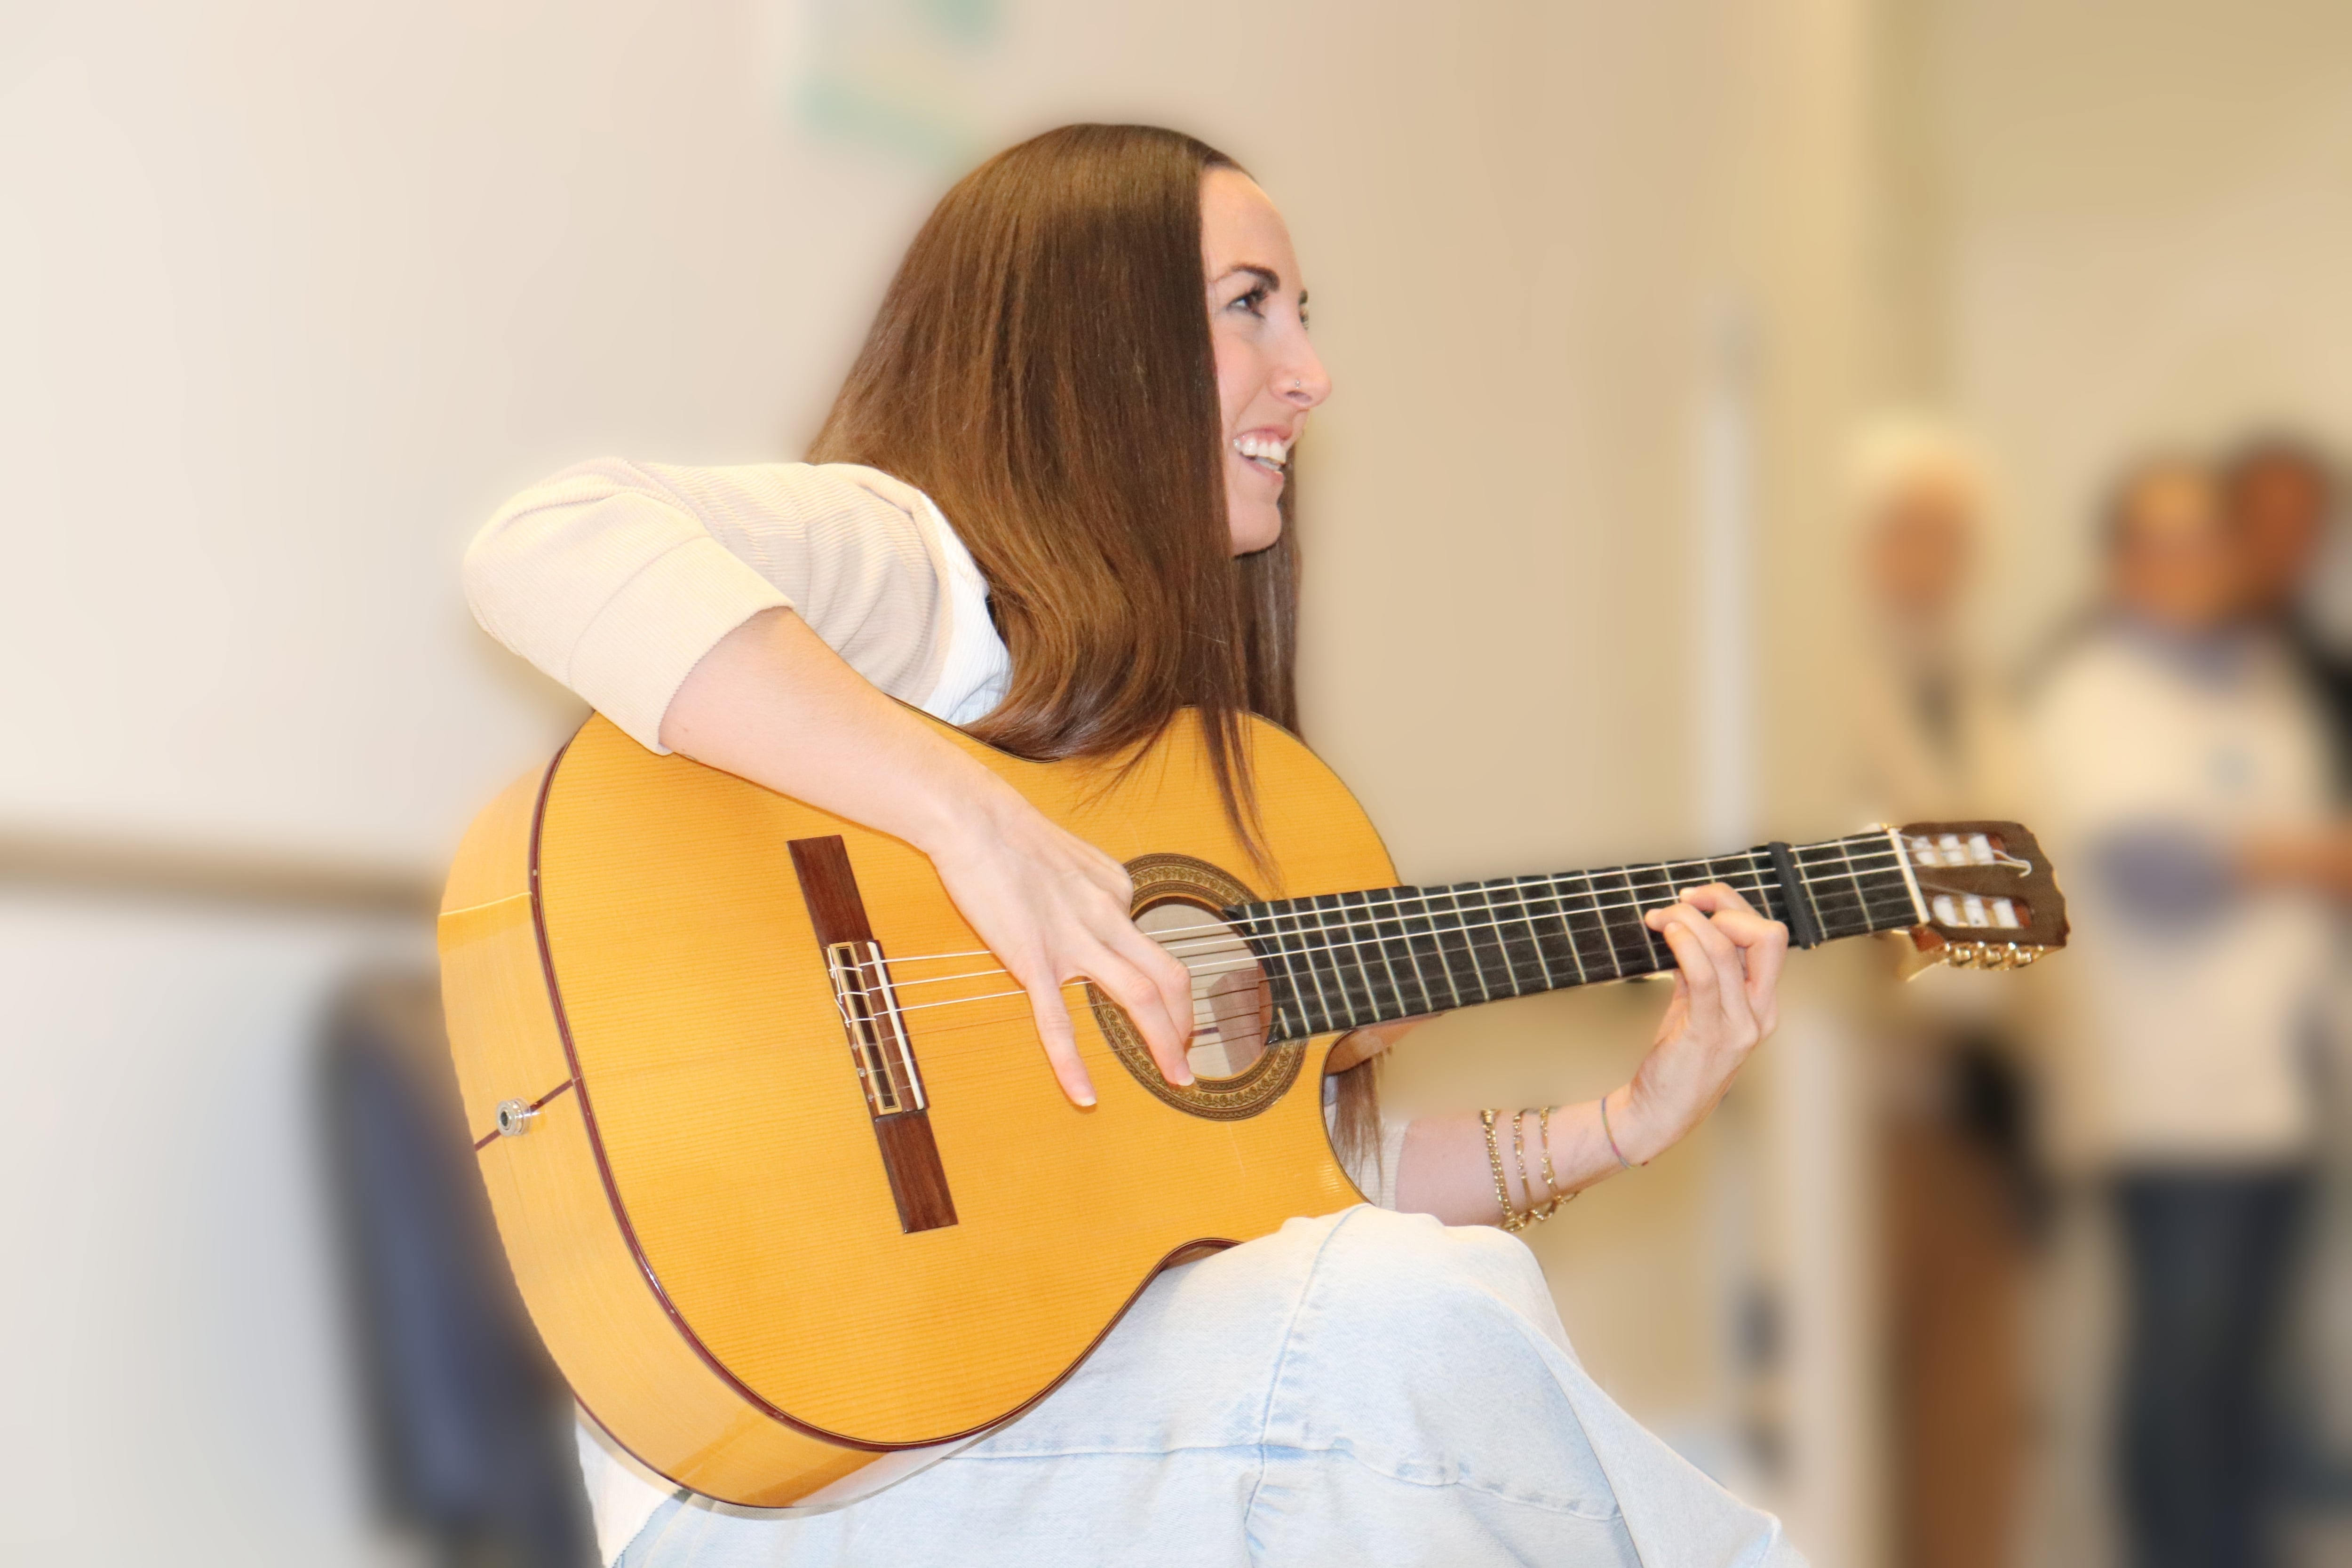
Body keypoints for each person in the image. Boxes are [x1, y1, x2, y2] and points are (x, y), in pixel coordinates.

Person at [465, 124, 1796, 1568]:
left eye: (1303, 314)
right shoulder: (919, 569)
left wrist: (1623, 1125)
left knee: (1404, 1303)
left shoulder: (1188, 758)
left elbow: (1294, 1186)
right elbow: (550, 540)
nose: (1311, 371)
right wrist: (973, 819)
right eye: (1249, 305)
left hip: (1072, 1423)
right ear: (1096, 343)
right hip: (799, 1484)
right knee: (1414, 1311)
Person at [2027, 458, 2344, 1568]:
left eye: (2206, 540)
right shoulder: (2097, 693)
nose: (2194, 562)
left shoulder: (2249, 684)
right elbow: (2151, 865)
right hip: (2170, 1095)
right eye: (2165, 542)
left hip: (2275, 1083)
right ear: (2121, 563)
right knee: (2187, 1365)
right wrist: (2314, 855)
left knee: (2253, 1370)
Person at [1843, 418, 2036, 1568]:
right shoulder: (1823, 694)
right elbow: (1866, 893)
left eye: (1950, 533)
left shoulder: (1975, 694)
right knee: (1853, 1405)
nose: (1930, 554)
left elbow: (2036, 891)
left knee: (1970, 1407)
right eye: (1908, 527)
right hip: (1861, 1099)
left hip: (1975, 1101)